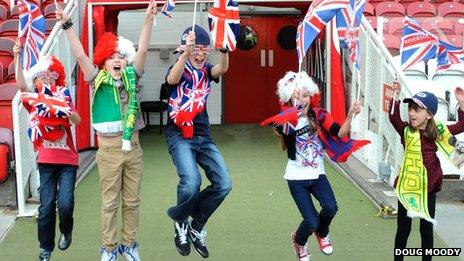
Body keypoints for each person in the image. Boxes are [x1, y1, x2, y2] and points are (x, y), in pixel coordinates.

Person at [55, 1, 157, 260]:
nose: (117, 60)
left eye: (121, 56)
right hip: (109, 151)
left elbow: (143, 48)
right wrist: (67, 25)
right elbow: (79, 55)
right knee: (110, 203)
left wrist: (147, 19)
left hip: (133, 149)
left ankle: (129, 245)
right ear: (104, 61)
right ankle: (109, 248)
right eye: (112, 56)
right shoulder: (96, 79)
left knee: (132, 202)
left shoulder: (133, 76)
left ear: (126, 60)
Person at [262, 71, 368, 261]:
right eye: (297, 96)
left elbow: (340, 132)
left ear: (312, 96)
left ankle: (322, 233)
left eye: (305, 95)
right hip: (296, 178)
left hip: (317, 174)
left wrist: (351, 114)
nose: (302, 100)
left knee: (331, 208)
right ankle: (299, 241)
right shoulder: (285, 119)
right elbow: (282, 129)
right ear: (289, 98)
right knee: (310, 221)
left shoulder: (319, 115)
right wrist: (293, 112)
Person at [164, 25, 232, 258]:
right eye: (195, 49)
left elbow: (221, 70)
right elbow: (172, 79)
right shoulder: (179, 67)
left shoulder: (208, 70)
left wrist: (224, 51)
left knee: (224, 184)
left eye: (204, 49)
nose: (200, 54)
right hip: (179, 134)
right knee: (191, 181)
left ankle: (196, 224)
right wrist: (185, 53)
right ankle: (180, 222)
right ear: (187, 49)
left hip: (204, 135)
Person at [13, 40, 81, 261]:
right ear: (37, 79)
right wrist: (16, 56)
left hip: (68, 159)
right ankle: (45, 247)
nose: (48, 77)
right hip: (46, 160)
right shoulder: (34, 100)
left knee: (66, 204)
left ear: (57, 76)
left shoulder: (64, 95)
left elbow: (78, 120)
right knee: (46, 207)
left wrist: (65, 112)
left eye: (51, 74)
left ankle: (67, 230)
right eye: (43, 75)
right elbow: (22, 87)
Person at [389, 82, 464, 261]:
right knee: (403, 228)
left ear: (429, 115)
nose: (412, 113)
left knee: (426, 228)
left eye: (417, 110)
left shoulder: (437, 132)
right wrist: (396, 96)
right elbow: (393, 117)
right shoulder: (406, 130)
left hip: (428, 187)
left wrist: (461, 104)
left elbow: (461, 125)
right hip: (407, 186)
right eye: (410, 109)